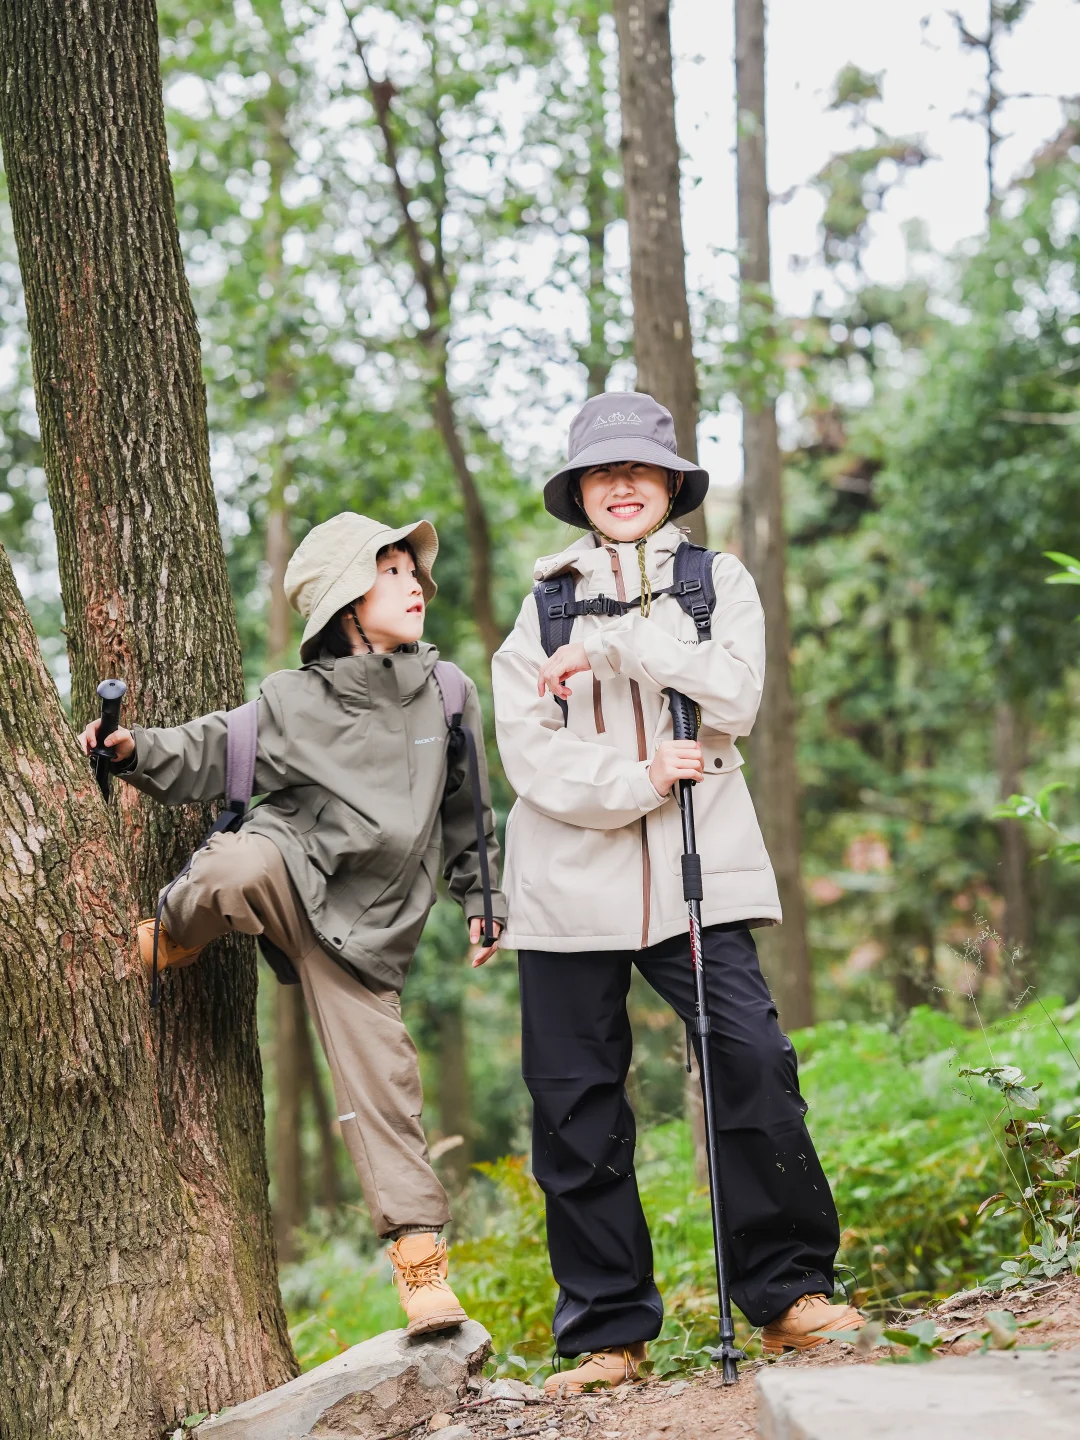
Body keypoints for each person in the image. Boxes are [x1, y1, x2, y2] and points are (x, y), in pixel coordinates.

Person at [489, 392, 862, 1394]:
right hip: (568, 879)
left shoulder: (716, 578)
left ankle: (787, 1293)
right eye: (600, 473)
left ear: (668, 484)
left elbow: (736, 697)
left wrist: (622, 645)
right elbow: (530, 755)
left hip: (700, 875)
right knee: (575, 1105)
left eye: (639, 471)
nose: (620, 486)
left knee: (751, 1057)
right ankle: (608, 1333)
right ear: (577, 491)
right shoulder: (540, 605)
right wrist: (641, 779)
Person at [79, 512, 505, 1337]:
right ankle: (172, 937)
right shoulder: (293, 699)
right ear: (347, 600)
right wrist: (128, 749)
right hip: (288, 869)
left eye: (413, 571)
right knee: (235, 863)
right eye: (391, 572)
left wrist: (483, 901)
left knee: (386, 1081)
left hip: (369, 924)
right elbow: (204, 749)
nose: (414, 583)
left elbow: (469, 813)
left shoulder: (449, 692)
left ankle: (420, 1269)